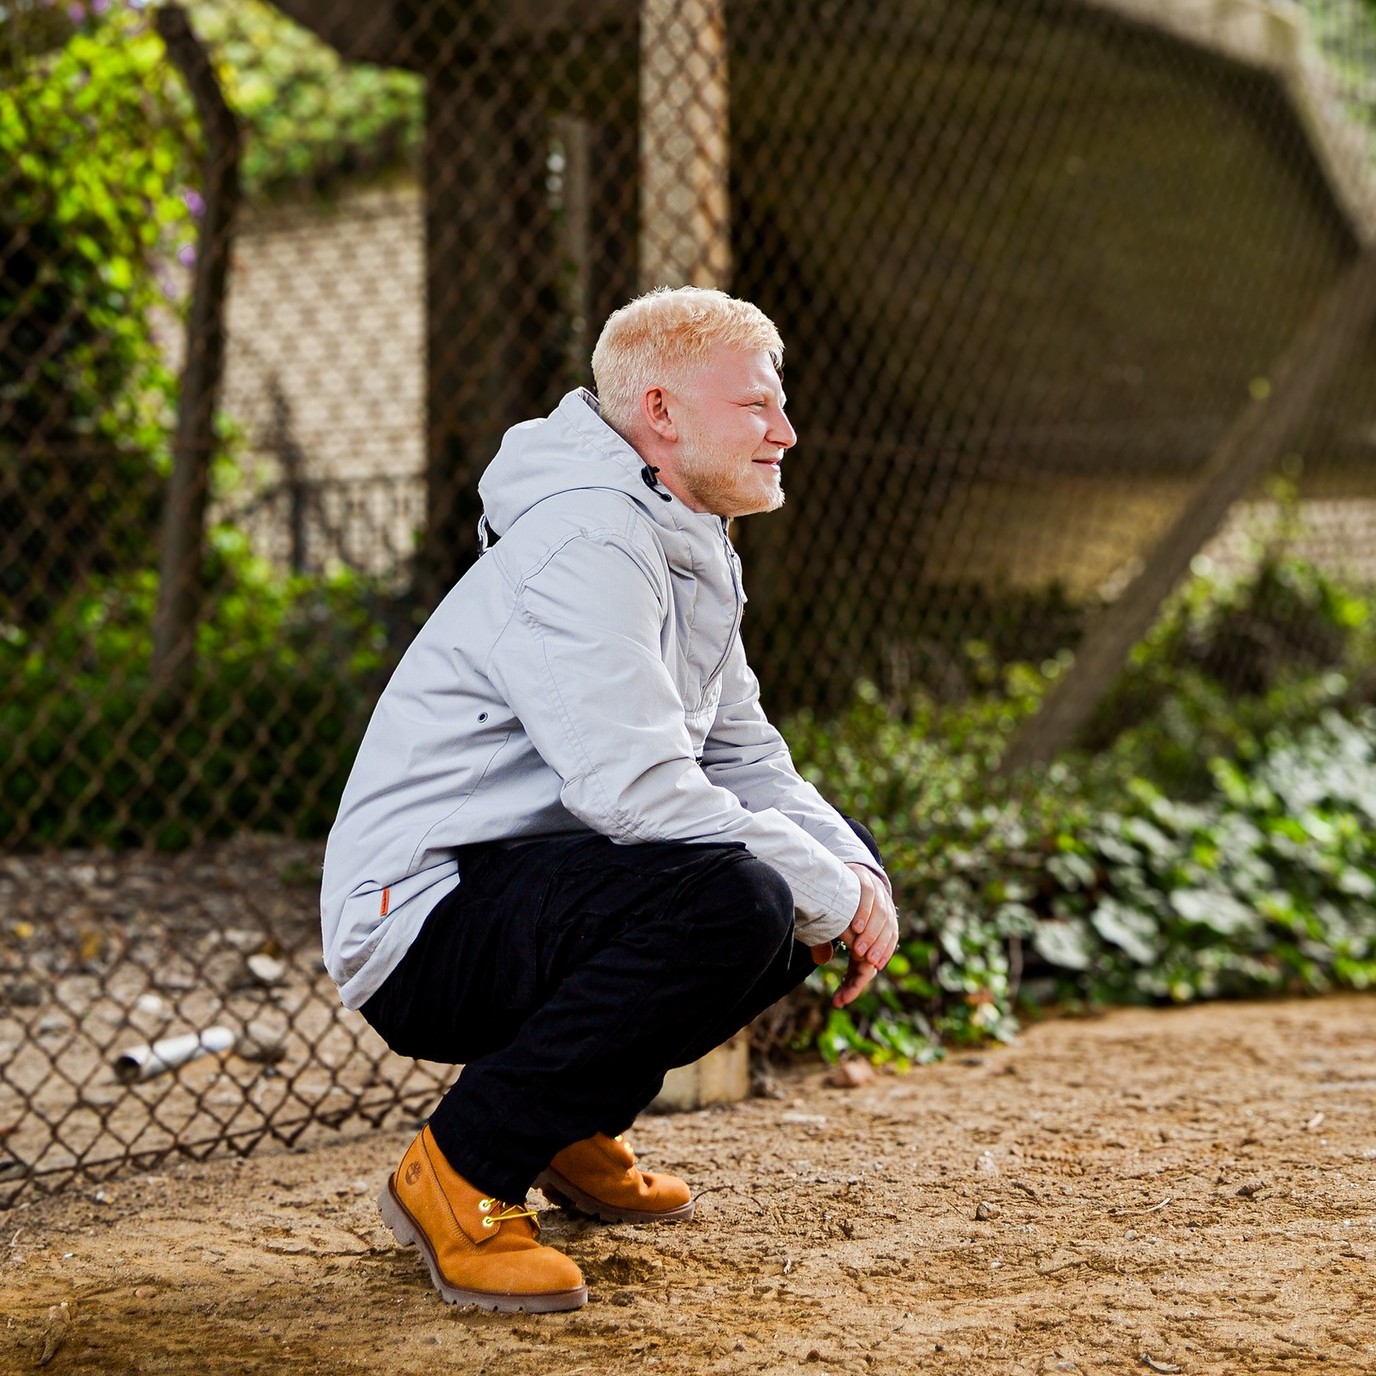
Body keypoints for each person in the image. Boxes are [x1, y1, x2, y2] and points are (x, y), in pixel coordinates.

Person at [321, 285, 899, 1313]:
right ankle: (460, 1171)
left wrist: (850, 871)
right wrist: (814, 884)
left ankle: (564, 1118)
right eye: (757, 406)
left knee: (795, 869)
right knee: (739, 897)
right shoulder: (588, 541)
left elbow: (740, 748)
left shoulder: (683, 535)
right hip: (421, 918)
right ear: (663, 414)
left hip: (530, 881)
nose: (786, 431)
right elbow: (637, 791)